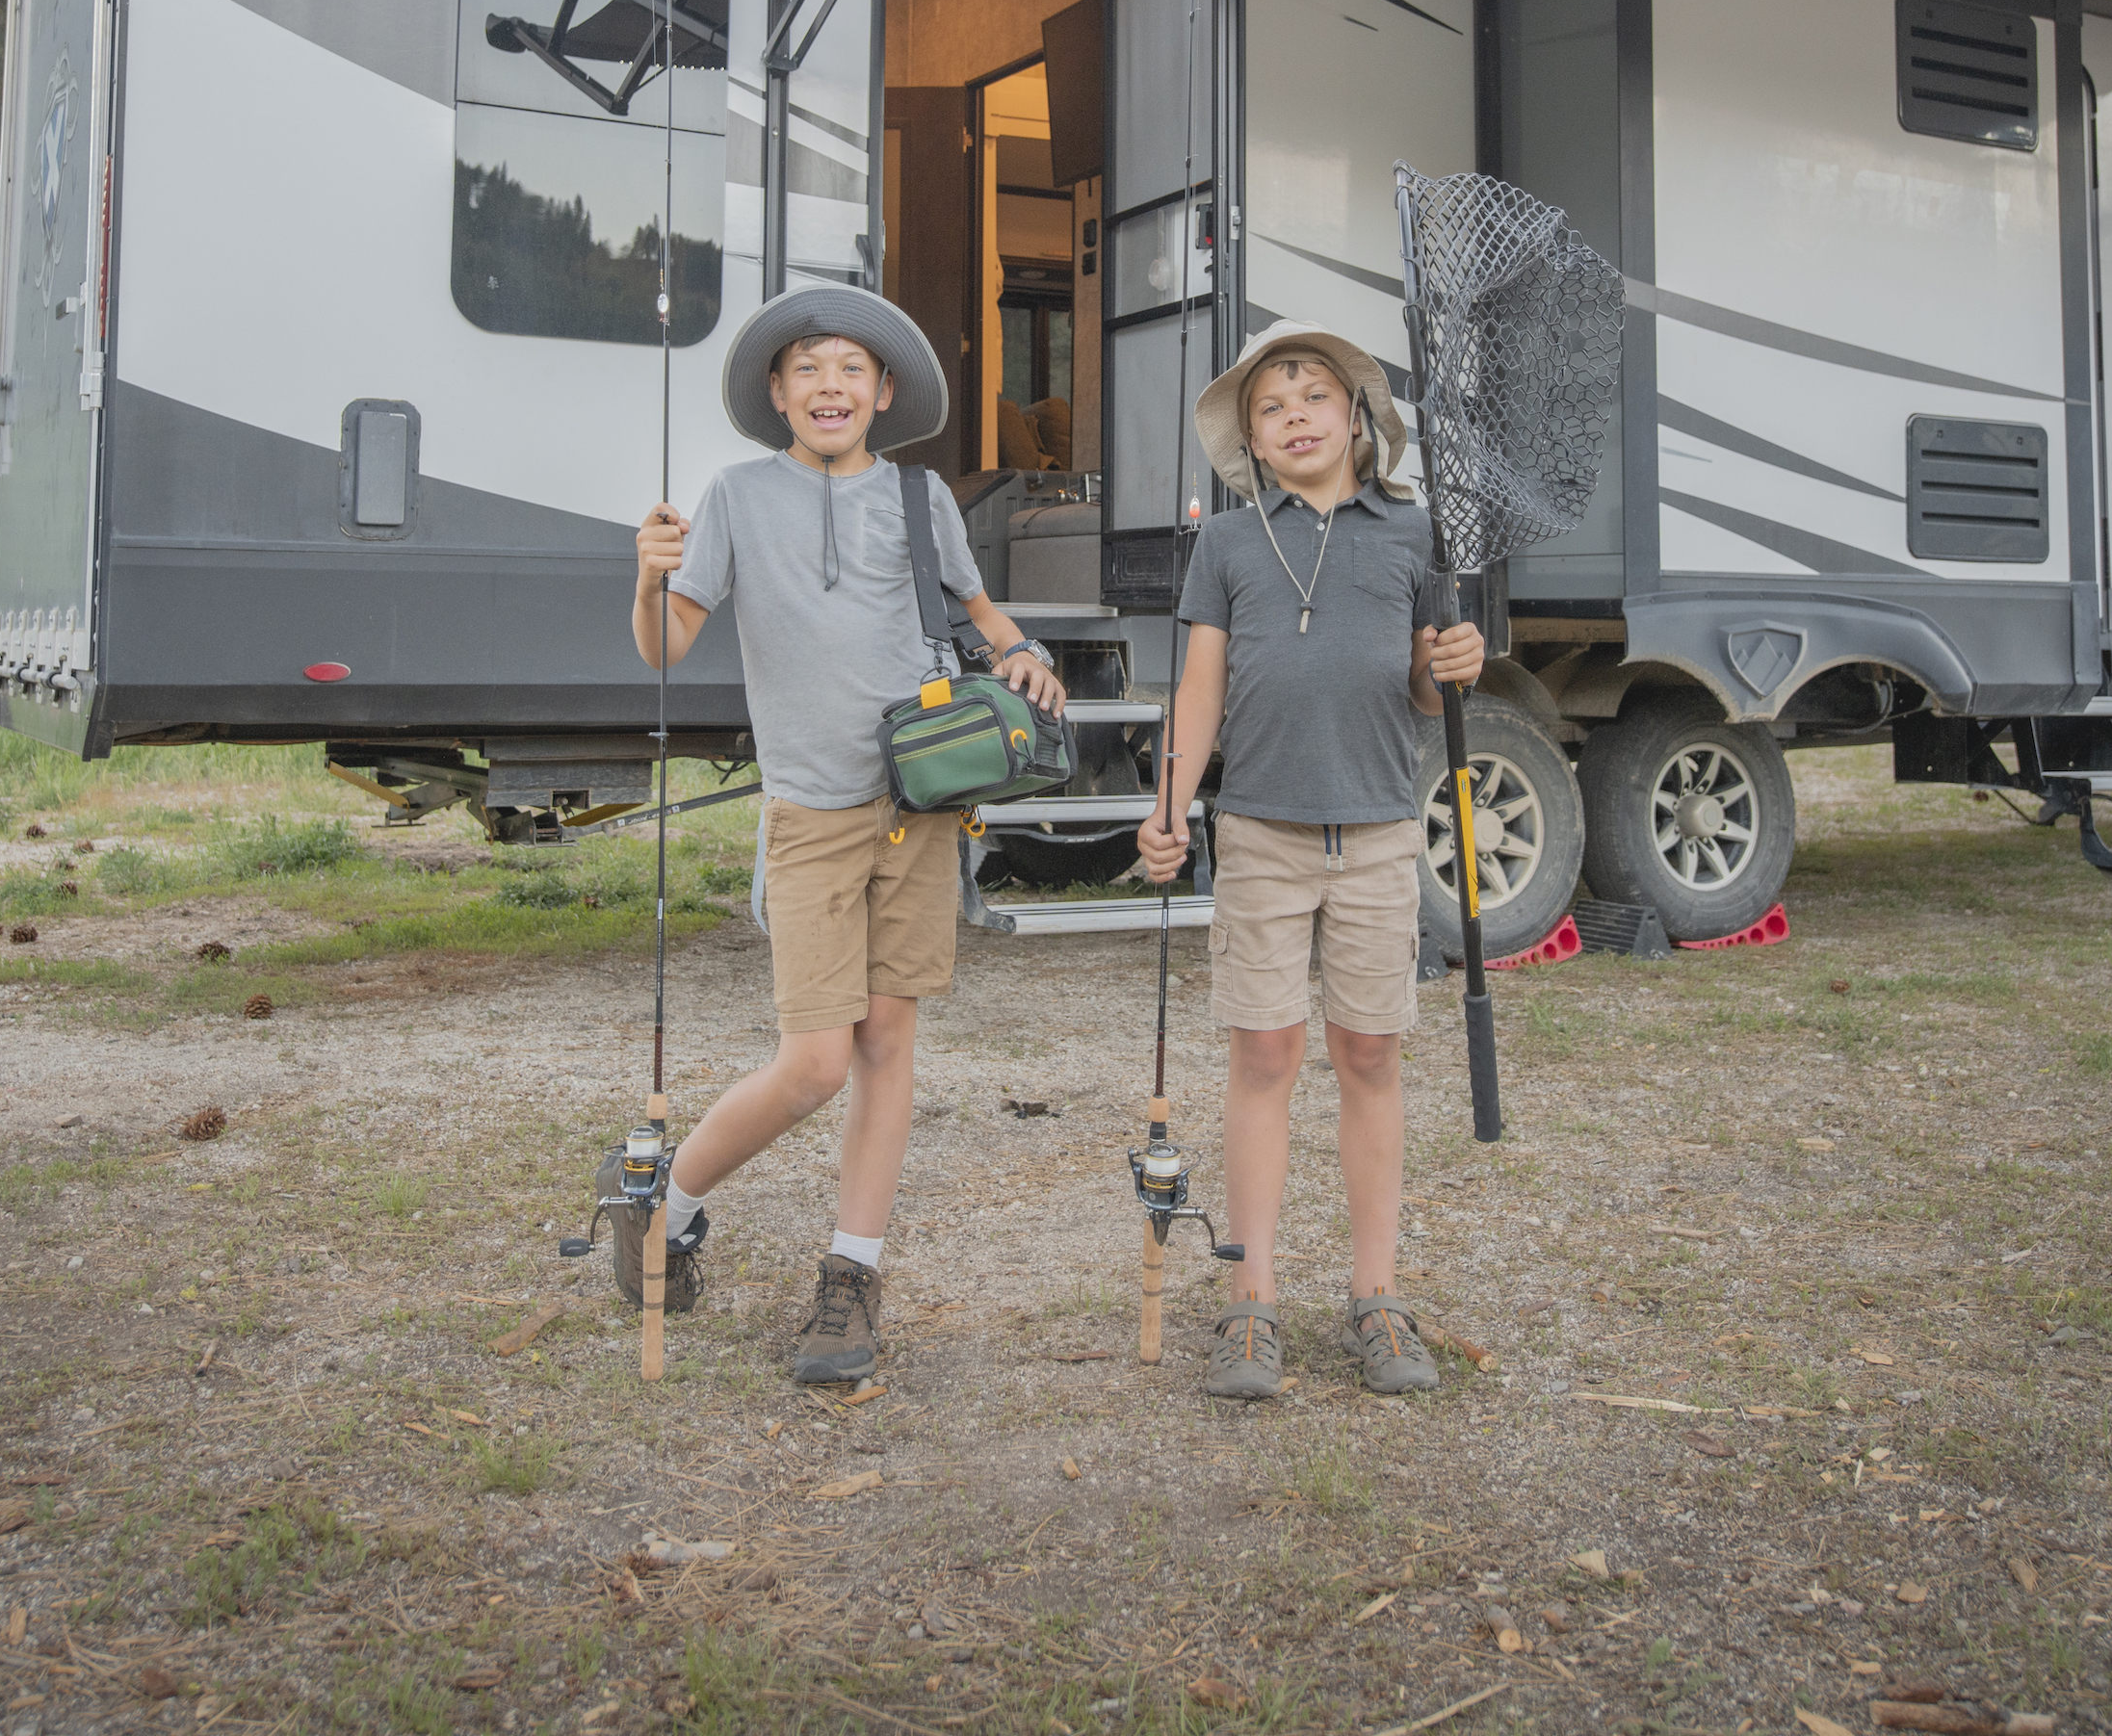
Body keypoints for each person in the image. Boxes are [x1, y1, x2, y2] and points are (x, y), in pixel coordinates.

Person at [632, 284, 1067, 1383]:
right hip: (811, 816)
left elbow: (978, 617)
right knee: (814, 1063)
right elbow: (667, 648)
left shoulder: (924, 500)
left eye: (849, 369)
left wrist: (1028, 655)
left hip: (918, 811)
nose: (830, 385)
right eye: (807, 368)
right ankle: (666, 1197)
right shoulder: (733, 497)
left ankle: (850, 1276)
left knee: (885, 1045)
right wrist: (648, 580)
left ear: (882, 392)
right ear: (777, 393)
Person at [1136, 324, 1482, 1399]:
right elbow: (1199, 691)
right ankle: (1251, 1300)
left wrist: (1453, 666)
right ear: (1248, 442)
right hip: (1260, 835)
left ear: (1358, 419)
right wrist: (1169, 807)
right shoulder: (1230, 546)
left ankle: (1377, 1298)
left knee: (1370, 1057)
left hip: (1378, 834)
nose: (1293, 415)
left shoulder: (1416, 536)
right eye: (1269, 406)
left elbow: (1430, 694)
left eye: (1312, 395)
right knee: (1265, 1057)